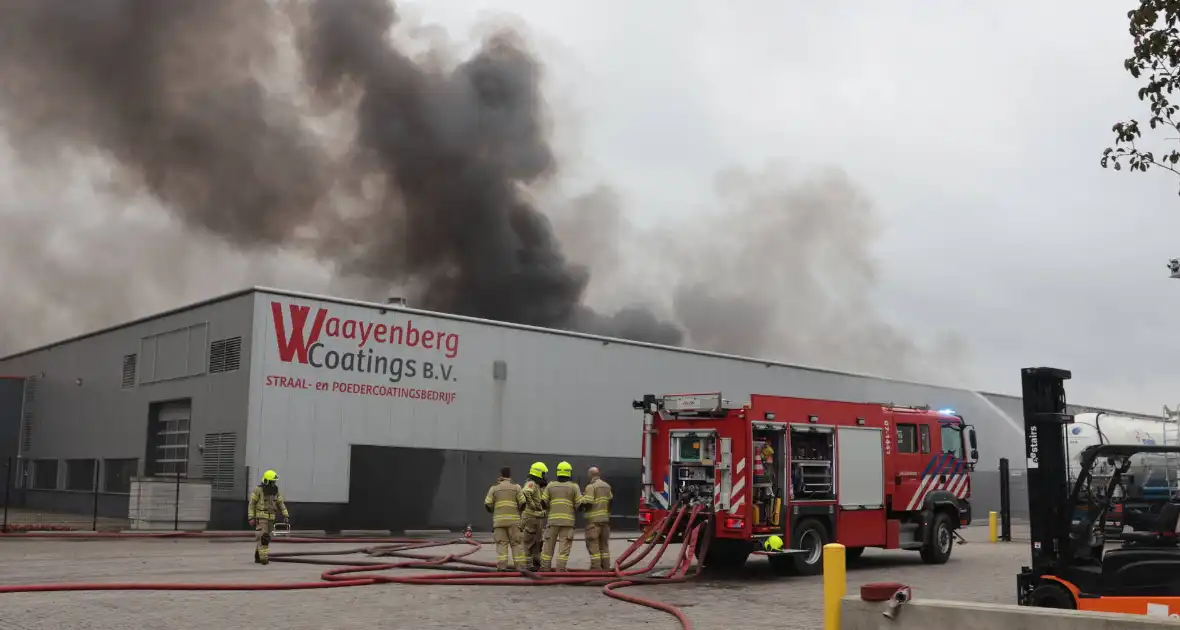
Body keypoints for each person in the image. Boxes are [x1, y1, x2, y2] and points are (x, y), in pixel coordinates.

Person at [540, 461, 582, 572]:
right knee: (564, 548)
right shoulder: (574, 487)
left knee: (548, 547)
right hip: (568, 523)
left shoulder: (550, 485)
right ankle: (560, 570)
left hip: (552, 521)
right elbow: (579, 505)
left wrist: (550, 507)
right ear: (569, 472)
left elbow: (543, 503)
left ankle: (544, 569)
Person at [484, 466, 526, 571]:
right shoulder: (516, 487)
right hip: (514, 522)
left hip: (499, 522)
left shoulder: (494, 488)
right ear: (510, 475)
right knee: (516, 544)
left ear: (501, 474)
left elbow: (487, 504)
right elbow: (523, 503)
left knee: (502, 544)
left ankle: (502, 567)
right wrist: (518, 512)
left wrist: (494, 512)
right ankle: (520, 567)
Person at [248, 469, 290, 565]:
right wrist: (251, 517)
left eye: (274, 482)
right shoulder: (258, 490)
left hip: (271, 519)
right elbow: (252, 504)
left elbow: (280, 503)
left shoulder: (275, 491)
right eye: (272, 481)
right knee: (263, 538)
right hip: (261, 518)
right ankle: (264, 559)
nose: (273, 483)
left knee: (266, 538)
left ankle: (258, 556)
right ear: (266, 481)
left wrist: (286, 515)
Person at [581, 466, 613, 571]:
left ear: (590, 475)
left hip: (593, 522)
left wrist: (582, 500)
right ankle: (606, 567)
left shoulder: (591, 487)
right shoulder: (607, 486)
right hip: (605, 521)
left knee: (593, 545)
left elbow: (588, 503)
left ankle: (595, 568)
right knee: (604, 546)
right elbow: (610, 501)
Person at [518, 461, 549, 571]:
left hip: (537, 518)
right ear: (539, 473)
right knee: (528, 542)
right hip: (531, 517)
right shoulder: (531, 483)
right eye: (543, 474)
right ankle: (527, 565)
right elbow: (526, 492)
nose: (544, 476)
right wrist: (533, 505)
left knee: (538, 542)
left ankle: (536, 563)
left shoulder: (537, 485)